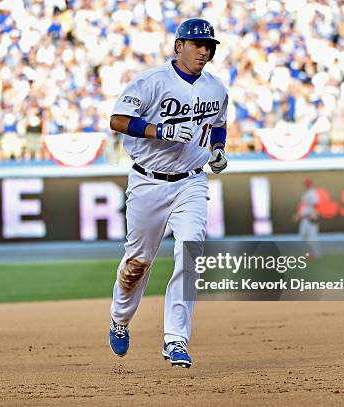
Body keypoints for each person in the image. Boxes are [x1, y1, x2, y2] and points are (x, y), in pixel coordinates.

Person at [108, 18, 229, 368]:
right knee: (137, 264)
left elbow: (218, 124)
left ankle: (176, 339)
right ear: (179, 46)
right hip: (148, 182)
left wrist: (218, 150)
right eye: (197, 44)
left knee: (190, 252)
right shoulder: (152, 81)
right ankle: (119, 318)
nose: (204, 51)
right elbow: (117, 119)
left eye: (209, 46)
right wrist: (158, 130)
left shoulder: (216, 88)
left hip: (191, 181)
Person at [293, 177, 321, 258]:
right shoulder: (306, 193)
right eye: (306, 183)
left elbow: (316, 204)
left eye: (308, 183)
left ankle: (315, 254)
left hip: (311, 217)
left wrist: (314, 214)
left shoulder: (312, 192)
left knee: (312, 236)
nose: (307, 185)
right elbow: (304, 207)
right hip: (305, 217)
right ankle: (312, 252)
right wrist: (298, 215)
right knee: (303, 235)